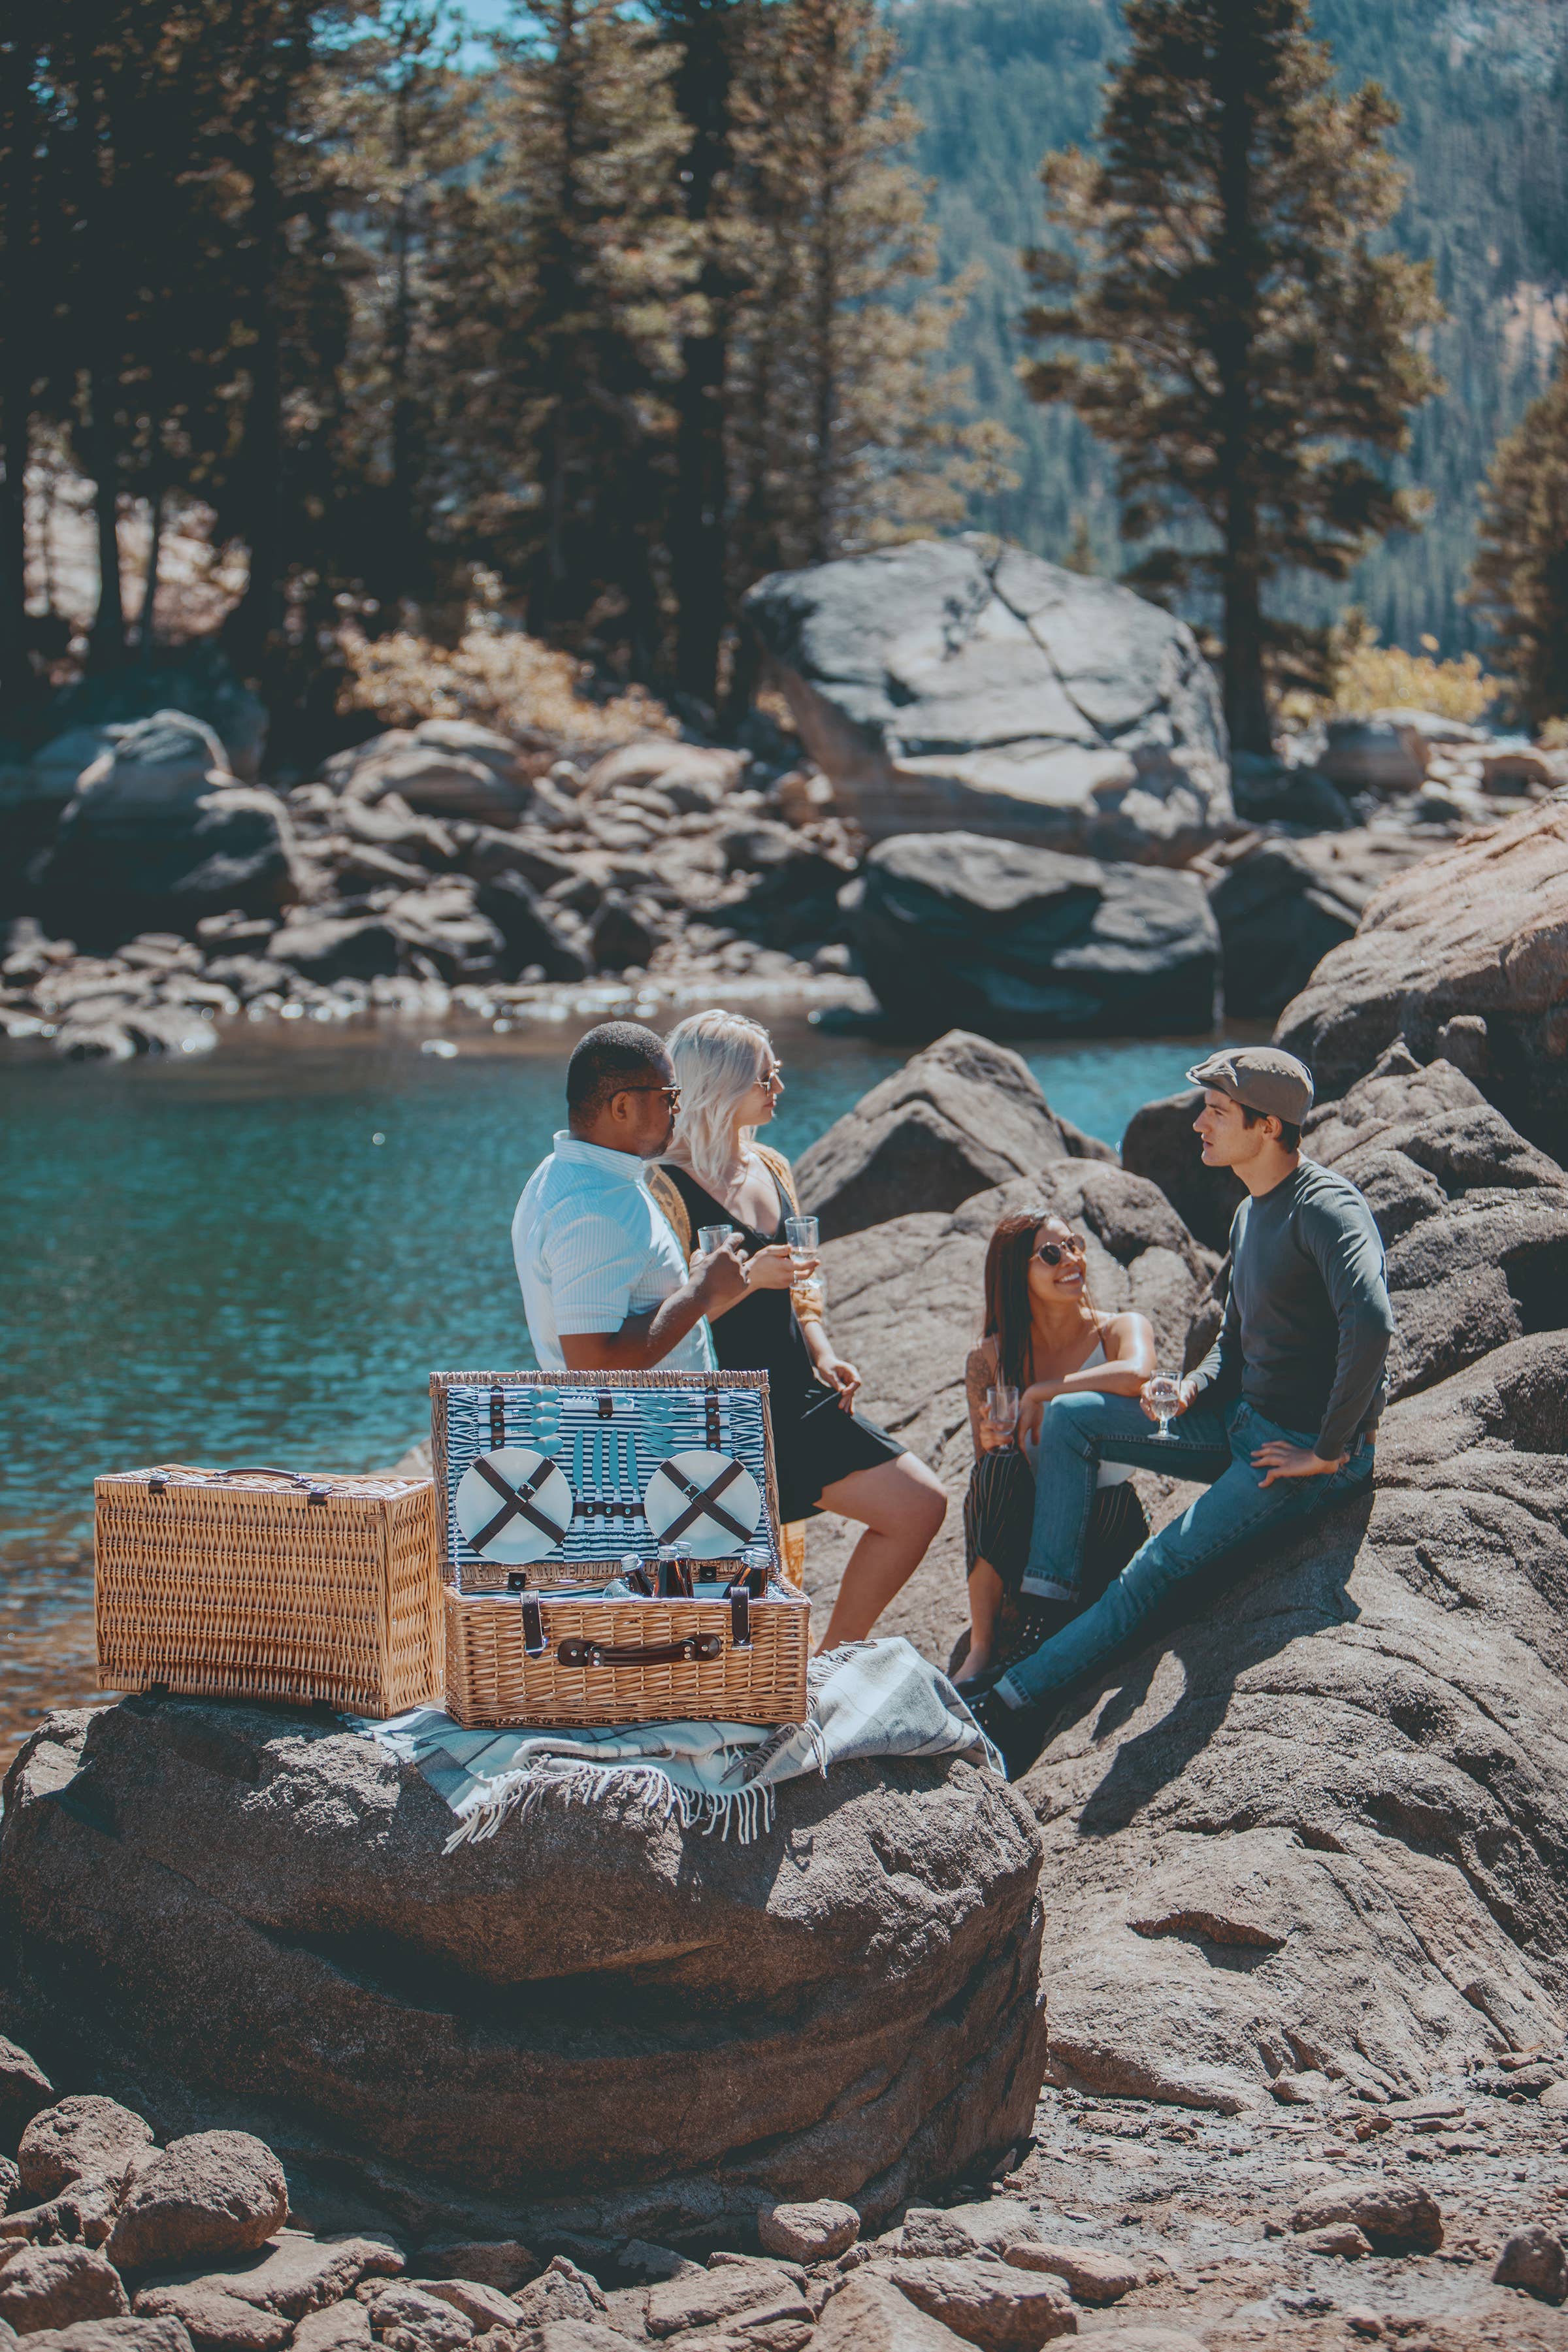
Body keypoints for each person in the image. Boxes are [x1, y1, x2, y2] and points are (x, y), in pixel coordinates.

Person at [968, 1046, 1396, 1778]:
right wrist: (1194, 1387)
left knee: (1154, 1570)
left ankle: (1010, 1703)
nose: (1198, 1122)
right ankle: (1047, 1618)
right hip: (1237, 1425)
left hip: (1290, 1455)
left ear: (1266, 1127)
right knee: (1074, 1419)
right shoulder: (1249, 1212)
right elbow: (1234, 1335)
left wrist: (1330, 1449)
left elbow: (1373, 1321)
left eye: (1217, 1112)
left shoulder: (1325, 1207)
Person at [653, 1009, 947, 1649]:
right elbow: (663, 1325)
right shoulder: (661, 1188)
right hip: (716, 1414)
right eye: (766, 1077)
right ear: (722, 1087)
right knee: (741, 1609)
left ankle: (833, 1660)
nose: (778, 1088)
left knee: (919, 1505)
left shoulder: (773, 1166)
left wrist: (823, 1350)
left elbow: (803, 1283)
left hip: (796, 1394)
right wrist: (750, 1280)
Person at [955, 1209, 1155, 1687]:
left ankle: (1056, 1629)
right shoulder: (993, 1359)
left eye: (1075, 1245)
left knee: (1112, 1501)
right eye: (1051, 1253)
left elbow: (1139, 1374)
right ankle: (983, 1647)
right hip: (1029, 1535)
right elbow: (989, 1482)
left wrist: (1043, 1391)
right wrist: (993, 1444)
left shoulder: (1120, 1329)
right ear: (1016, 1272)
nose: (1072, 1259)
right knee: (993, 1473)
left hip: (1103, 1524)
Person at [512, 1020, 754, 1372]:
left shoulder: (560, 1171)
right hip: (649, 1428)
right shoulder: (594, 1211)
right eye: (668, 1096)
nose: (678, 1108)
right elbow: (592, 1367)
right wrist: (702, 1291)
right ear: (622, 1107)